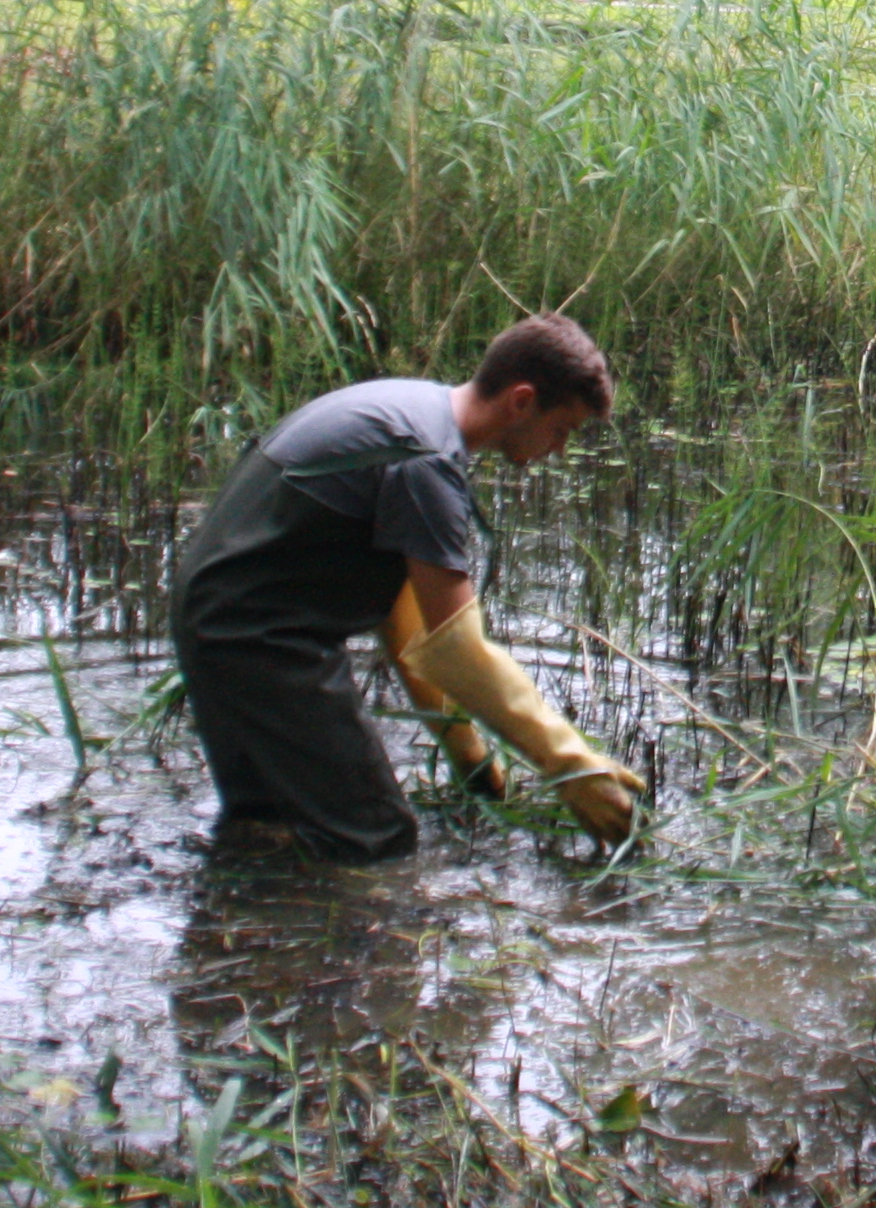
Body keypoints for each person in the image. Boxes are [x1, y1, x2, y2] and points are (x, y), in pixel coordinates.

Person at [170, 315, 641, 860]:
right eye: (562, 428)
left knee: (267, 824)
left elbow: (408, 624)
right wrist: (572, 764)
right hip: (261, 641)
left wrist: (470, 757)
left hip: (216, 622)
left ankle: (252, 932)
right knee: (376, 838)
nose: (558, 449)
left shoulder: (415, 413)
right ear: (521, 400)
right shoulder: (426, 461)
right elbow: (458, 649)